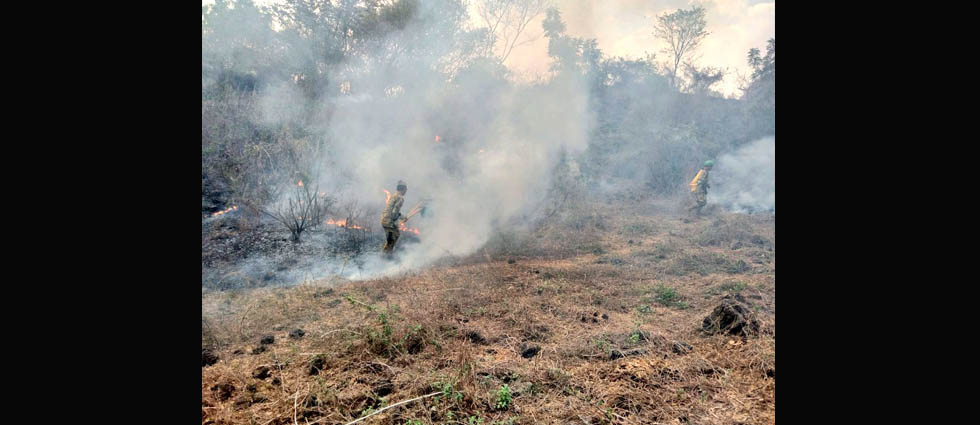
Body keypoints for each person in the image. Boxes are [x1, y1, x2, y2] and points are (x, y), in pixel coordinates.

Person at [381, 180, 407, 257]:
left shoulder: (393, 196)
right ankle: (386, 257)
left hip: (384, 219)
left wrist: (402, 217)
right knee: (393, 238)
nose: (406, 191)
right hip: (389, 221)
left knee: (392, 238)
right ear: (403, 189)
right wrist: (397, 221)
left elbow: (393, 210)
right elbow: (394, 212)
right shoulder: (400, 198)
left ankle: (385, 255)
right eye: (406, 189)